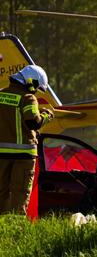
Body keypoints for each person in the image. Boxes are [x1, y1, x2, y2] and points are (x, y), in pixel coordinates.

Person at [0, 65, 54, 214]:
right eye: (37, 87)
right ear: (31, 81)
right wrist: (46, 116)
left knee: (1, 193)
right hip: (23, 156)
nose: (36, 91)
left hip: (1, 155)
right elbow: (33, 122)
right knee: (20, 194)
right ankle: (16, 229)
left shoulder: (1, 94)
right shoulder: (28, 98)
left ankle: (2, 230)